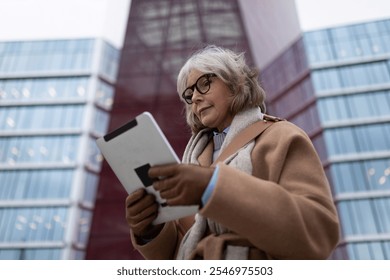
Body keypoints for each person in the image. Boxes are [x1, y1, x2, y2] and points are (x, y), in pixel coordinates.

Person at [125, 45, 340, 260]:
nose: (196, 98)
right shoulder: (191, 158)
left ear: (236, 83)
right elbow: (183, 247)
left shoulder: (282, 137)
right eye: (189, 94)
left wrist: (213, 186)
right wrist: (150, 231)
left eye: (204, 83)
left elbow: (317, 232)